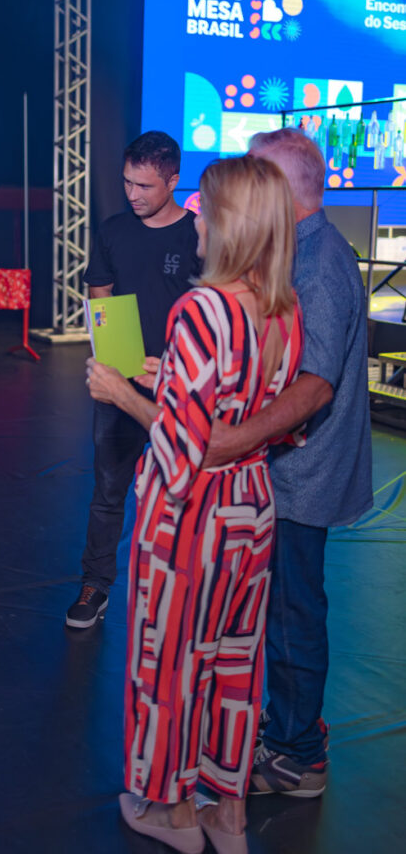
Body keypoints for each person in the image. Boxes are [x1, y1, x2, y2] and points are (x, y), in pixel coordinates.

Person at [87, 155, 303, 854]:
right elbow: (265, 412)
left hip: (190, 519)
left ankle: (174, 814)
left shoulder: (202, 309)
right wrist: (169, 375)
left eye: (206, 210)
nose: (197, 222)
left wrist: (122, 393)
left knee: (169, 662)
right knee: (235, 663)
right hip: (251, 510)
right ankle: (227, 815)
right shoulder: (284, 308)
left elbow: (185, 448)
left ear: (231, 224)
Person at [204, 128, 373, 798]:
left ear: (282, 187)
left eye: (256, 177)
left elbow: (315, 385)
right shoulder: (301, 250)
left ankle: (298, 754)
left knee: (291, 613)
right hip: (289, 469)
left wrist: (235, 438)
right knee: (283, 609)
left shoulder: (319, 264)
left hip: (302, 479)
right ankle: (292, 731)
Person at [66, 130, 201, 628]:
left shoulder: (199, 235)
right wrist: (119, 363)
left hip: (181, 386)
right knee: (107, 491)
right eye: (127, 182)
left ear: (173, 180)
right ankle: (95, 584)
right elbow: (100, 294)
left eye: (144, 185)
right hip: (122, 383)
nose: (133, 193)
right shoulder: (114, 229)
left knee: (183, 493)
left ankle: (183, 593)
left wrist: (177, 368)